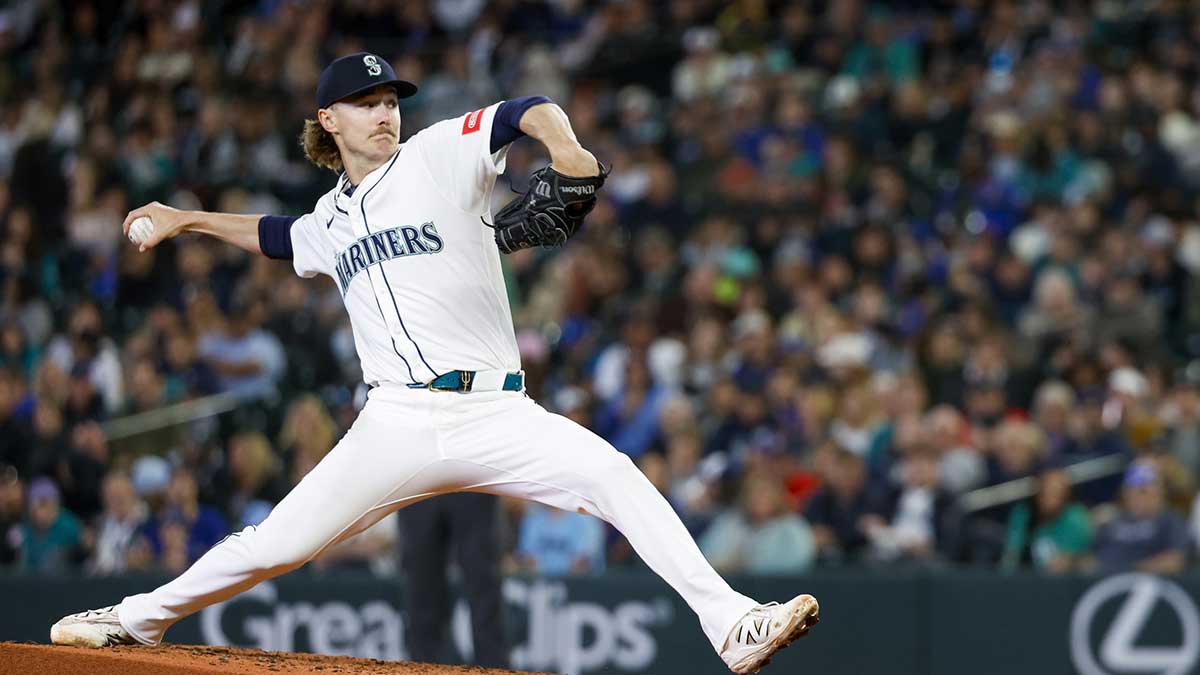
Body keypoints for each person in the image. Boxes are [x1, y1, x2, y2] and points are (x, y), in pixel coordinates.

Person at [49, 52, 818, 674]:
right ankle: (131, 619)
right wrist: (187, 219)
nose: (386, 111)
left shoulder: (436, 153)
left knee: (612, 473)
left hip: (496, 410)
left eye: (390, 99)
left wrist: (567, 148)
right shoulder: (330, 218)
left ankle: (732, 623)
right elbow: (276, 232)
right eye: (366, 101)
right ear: (329, 120)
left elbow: (527, 111)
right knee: (276, 544)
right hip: (396, 422)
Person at [399, 494, 508, 668]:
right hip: (420, 479)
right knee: (421, 591)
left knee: (483, 585)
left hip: (469, 477)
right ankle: (421, 667)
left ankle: (493, 667)